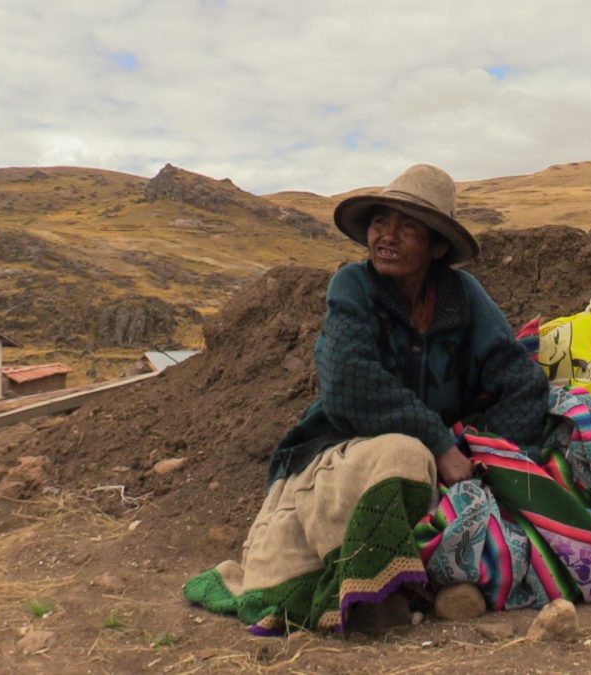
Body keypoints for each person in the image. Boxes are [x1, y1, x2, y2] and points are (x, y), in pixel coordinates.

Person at [184, 164, 550, 636]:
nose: (387, 237)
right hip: (341, 454)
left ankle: (434, 582)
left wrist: (499, 462)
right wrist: (440, 443)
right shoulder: (353, 286)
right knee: (405, 453)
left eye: (408, 227)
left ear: (437, 246)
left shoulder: (463, 297)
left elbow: (518, 376)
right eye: (381, 222)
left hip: (436, 467)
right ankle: (369, 595)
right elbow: (349, 385)